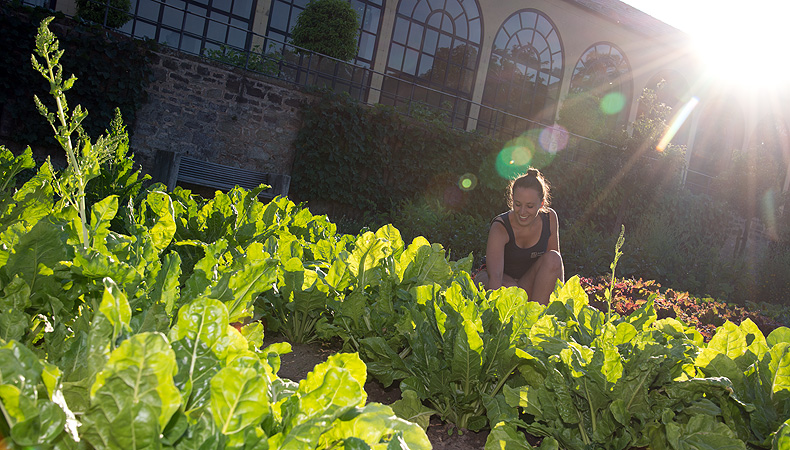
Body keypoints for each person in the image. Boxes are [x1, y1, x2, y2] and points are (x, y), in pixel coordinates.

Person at [474, 168, 564, 304]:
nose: (522, 212)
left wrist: (559, 305)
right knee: (512, 290)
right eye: (517, 204)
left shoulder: (550, 218)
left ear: (541, 204)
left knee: (554, 258)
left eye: (529, 206)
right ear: (512, 200)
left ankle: (537, 319)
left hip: (526, 282)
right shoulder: (500, 227)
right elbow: (495, 278)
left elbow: (555, 267)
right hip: (495, 280)